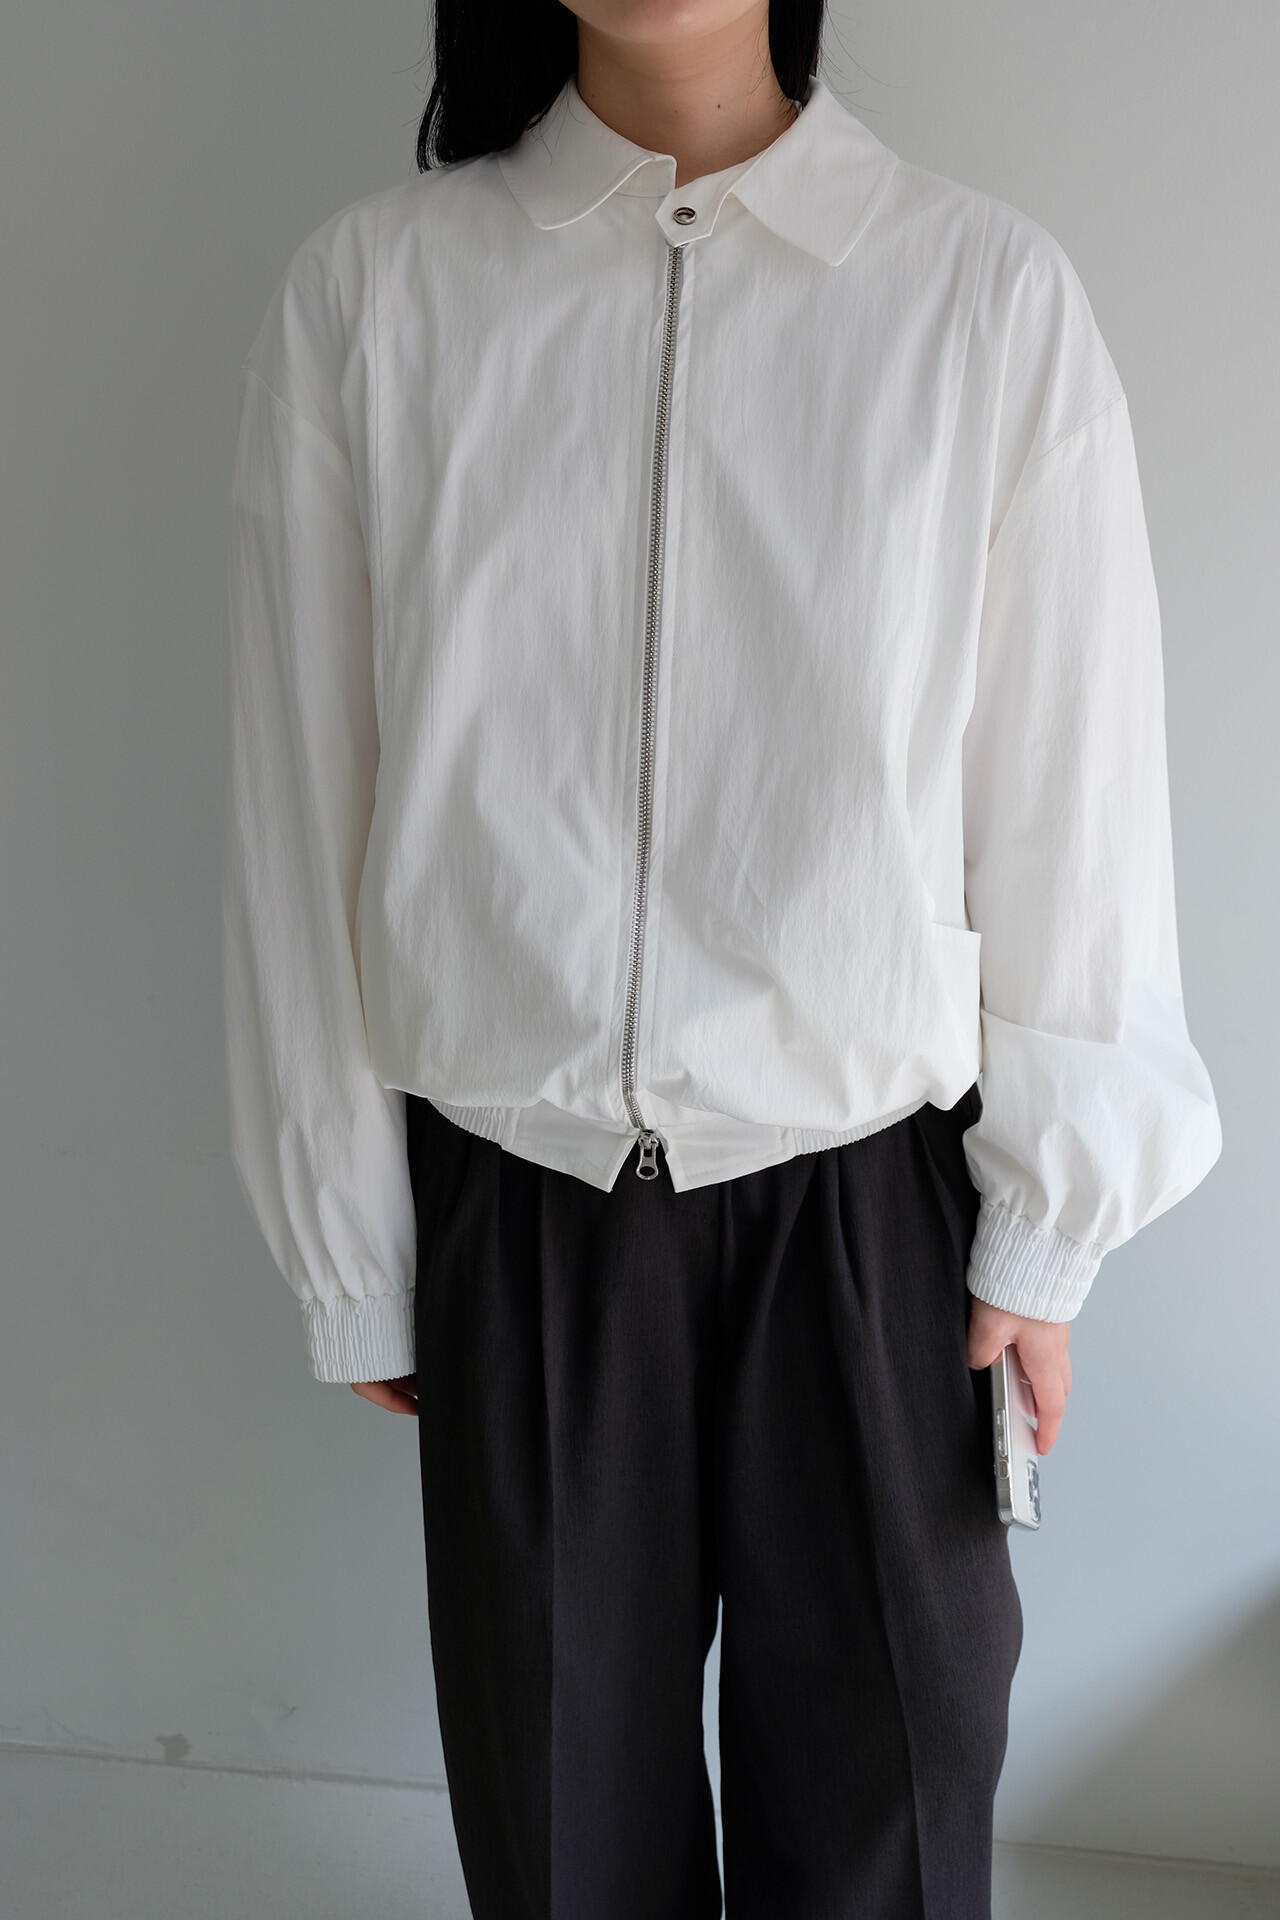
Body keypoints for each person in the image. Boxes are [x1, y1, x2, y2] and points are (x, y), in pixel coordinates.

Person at [221, 1, 1222, 1914]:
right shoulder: (376, 294)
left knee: (891, 1814)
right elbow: (300, 791)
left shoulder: (979, 294)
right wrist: (350, 1243)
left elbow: (1072, 791)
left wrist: (1045, 1222)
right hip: (522, 1210)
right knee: (563, 1830)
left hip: (878, 1220)